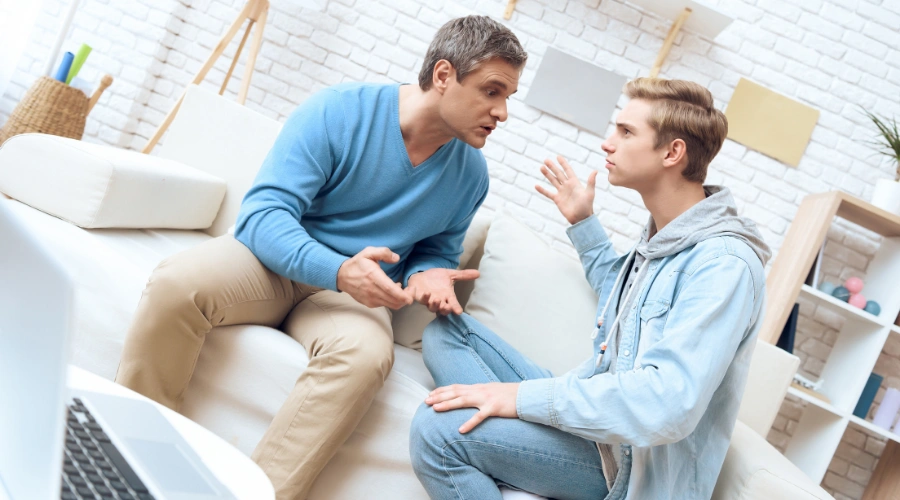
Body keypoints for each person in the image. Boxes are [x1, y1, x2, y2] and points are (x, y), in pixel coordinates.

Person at [114, 16, 526, 499]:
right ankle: (132, 460)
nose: (501, 113)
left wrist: (428, 273)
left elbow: (436, 248)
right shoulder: (339, 111)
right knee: (176, 284)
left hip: (352, 297)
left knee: (366, 358)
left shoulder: (470, 174)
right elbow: (264, 216)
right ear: (443, 75)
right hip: (273, 264)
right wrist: (336, 269)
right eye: (492, 91)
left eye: (507, 99)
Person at [409, 77, 772, 500]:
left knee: (438, 432)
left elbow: (666, 405)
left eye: (626, 131)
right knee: (446, 330)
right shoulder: (665, 239)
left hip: (626, 465)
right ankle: (508, 437)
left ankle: (503, 438)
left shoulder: (723, 264)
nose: (607, 143)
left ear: (673, 153)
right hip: (595, 422)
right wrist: (582, 222)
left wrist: (522, 398)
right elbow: (625, 300)